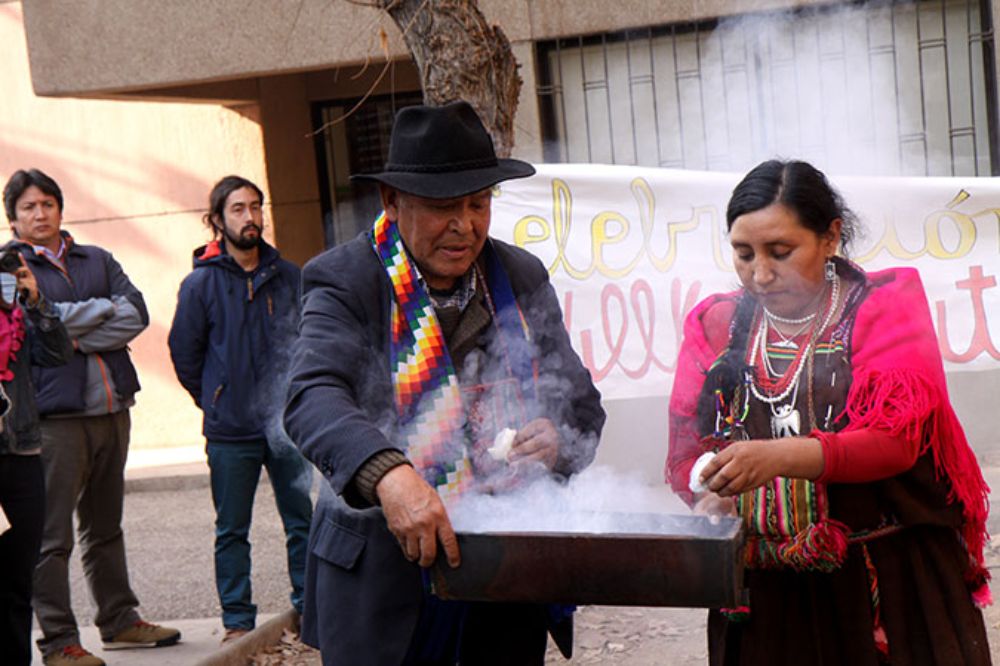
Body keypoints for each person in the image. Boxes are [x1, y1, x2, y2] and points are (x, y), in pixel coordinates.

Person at [284, 101, 606, 665]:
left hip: (505, 578)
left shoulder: (519, 275)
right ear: (392, 201)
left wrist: (556, 440)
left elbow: (580, 403)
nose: (466, 225)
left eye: (478, 204)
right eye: (441, 208)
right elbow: (312, 394)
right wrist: (390, 476)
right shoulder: (346, 279)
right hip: (386, 586)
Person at [665, 159, 991, 665]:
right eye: (743, 254)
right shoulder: (717, 324)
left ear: (830, 237)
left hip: (881, 580)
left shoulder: (884, 307)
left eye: (781, 252)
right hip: (765, 592)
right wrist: (704, 490)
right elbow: (688, 449)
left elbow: (894, 441)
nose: (761, 274)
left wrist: (776, 458)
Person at [3, 168, 180, 666]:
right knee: (49, 536)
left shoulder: (97, 258)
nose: (41, 214)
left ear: (61, 207)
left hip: (112, 407)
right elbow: (32, 337)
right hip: (54, 420)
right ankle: (59, 641)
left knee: (106, 526)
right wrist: (92, 318)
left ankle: (119, 620)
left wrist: (66, 328)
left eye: (48, 204)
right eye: (29, 207)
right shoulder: (9, 269)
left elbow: (136, 314)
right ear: (13, 218)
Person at [168, 175, 314, 642]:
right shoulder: (199, 285)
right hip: (230, 431)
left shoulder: (290, 276)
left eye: (256, 206)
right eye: (237, 209)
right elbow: (185, 355)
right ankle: (237, 621)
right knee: (232, 529)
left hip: (285, 426)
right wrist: (214, 399)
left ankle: (313, 608)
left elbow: (310, 342)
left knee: (302, 522)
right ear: (216, 220)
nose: (250, 217)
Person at [0, 246, 74, 666]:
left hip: (22, 454)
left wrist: (35, 298)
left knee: (15, 581)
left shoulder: (18, 319)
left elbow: (59, 353)